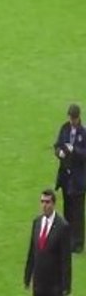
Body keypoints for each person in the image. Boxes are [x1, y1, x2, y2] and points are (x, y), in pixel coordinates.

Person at [24, 189, 72, 296]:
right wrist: (28, 275)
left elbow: (65, 258)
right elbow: (33, 250)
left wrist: (66, 285)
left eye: (47, 202)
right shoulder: (37, 222)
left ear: (53, 204)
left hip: (54, 284)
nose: (44, 205)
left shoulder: (62, 226)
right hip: (39, 282)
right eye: (42, 202)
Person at [54, 103, 86, 253]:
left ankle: (78, 242)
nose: (72, 121)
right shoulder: (64, 128)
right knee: (67, 208)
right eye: (70, 118)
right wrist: (59, 152)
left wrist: (74, 150)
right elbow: (57, 145)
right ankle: (68, 239)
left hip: (78, 178)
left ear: (78, 117)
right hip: (66, 176)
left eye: (74, 118)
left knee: (77, 211)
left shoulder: (83, 133)